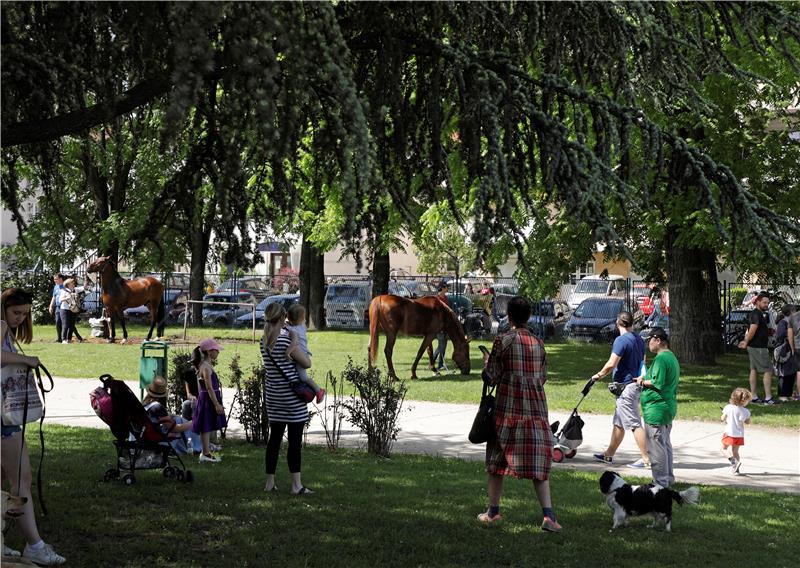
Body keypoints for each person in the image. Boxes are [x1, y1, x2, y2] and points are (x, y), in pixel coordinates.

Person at [478, 296, 561, 533]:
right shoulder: (539, 343)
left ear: (509, 316)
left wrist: (487, 364)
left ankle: (493, 512)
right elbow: (542, 378)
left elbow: (491, 377)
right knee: (539, 465)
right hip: (535, 412)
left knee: (495, 462)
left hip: (507, 412)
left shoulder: (502, 341)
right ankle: (549, 516)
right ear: (529, 317)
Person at [0, 288, 66, 565]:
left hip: (4, 415)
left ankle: (1, 545)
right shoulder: (1, 325)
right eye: (16, 312)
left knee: (7, 481)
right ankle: (35, 546)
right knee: (21, 478)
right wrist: (27, 360)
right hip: (4, 419)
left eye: (25, 313)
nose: (19, 318)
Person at [261, 302, 313, 495]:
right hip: (292, 398)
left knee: (273, 440)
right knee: (294, 442)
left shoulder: (264, 341)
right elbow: (306, 363)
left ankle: (269, 483)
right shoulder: (284, 341)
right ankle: (296, 485)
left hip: (274, 396)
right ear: (283, 318)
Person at [591, 311, 650, 469]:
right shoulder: (639, 339)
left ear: (618, 323)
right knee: (619, 423)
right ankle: (608, 455)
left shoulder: (621, 340)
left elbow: (611, 364)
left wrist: (599, 375)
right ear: (631, 323)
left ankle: (646, 459)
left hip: (626, 388)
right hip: (635, 385)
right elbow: (642, 362)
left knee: (634, 423)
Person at [635, 327, 680, 488]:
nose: (649, 343)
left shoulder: (661, 358)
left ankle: (660, 482)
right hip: (666, 407)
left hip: (657, 409)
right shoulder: (670, 356)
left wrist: (640, 382)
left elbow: (658, 383)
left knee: (656, 447)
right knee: (665, 444)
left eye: (650, 340)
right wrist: (644, 377)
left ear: (658, 340)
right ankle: (668, 478)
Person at [191, 338, 227, 463]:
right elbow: (209, 387)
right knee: (205, 426)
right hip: (208, 399)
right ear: (209, 351)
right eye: (216, 350)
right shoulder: (205, 367)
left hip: (208, 398)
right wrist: (216, 404)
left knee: (206, 425)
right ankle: (205, 453)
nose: (218, 352)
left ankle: (206, 452)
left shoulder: (205, 365)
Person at [737, 292, 775, 404]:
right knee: (768, 370)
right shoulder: (756, 314)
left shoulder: (757, 314)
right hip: (758, 347)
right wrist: (746, 341)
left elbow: (748, 330)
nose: (766, 304)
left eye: (767, 303)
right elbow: (752, 329)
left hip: (754, 346)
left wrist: (746, 341)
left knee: (753, 370)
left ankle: (753, 396)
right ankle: (768, 398)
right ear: (757, 302)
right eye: (764, 302)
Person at [142, 376, 194, 455]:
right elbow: (175, 429)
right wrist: (193, 422)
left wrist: (171, 416)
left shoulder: (145, 404)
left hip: (145, 437)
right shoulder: (157, 407)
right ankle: (197, 447)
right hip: (155, 439)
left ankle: (198, 445)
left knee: (177, 419)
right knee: (180, 422)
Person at [285, 304, 325, 404]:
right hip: (305, 353)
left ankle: (318, 390)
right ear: (302, 318)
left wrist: (287, 353)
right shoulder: (302, 327)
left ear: (288, 317)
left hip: (301, 356)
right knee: (301, 376)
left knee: (303, 377)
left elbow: (294, 343)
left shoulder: (291, 330)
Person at [720, 387, 752, 475]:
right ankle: (736, 469)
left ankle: (733, 461)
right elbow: (748, 422)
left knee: (723, 448)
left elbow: (722, 419)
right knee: (735, 451)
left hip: (729, 433)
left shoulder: (728, 407)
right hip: (739, 435)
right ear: (744, 401)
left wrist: (724, 416)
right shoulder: (746, 411)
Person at [774, 305, 798, 402]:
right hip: (784, 351)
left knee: (791, 372)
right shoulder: (783, 322)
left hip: (792, 349)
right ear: (791, 312)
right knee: (783, 373)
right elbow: (781, 336)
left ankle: (789, 393)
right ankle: (782, 394)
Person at [58, 278, 85, 344]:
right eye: (72, 283)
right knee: (65, 325)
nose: (73, 284)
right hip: (64, 310)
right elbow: (60, 300)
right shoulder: (63, 291)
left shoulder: (75, 290)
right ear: (68, 284)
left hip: (73, 309)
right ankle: (64, 339)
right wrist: (67, 298)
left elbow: (84, 287)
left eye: (73, 283)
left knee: (72, 325)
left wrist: (86, 280)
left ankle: (69, 339)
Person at [432, 283, 450, 371]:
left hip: (446, 325)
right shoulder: (437, 298)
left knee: (444, 345)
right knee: (441, 345)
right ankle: (432, 362)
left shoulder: (445, 298)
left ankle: (440, 364)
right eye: (446, 287)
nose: (447, 289)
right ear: (442, 288)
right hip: (439, 325)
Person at [48, 273, 65, 343]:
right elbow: (54, 297)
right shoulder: (56, 287)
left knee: (65, 323)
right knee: (58, 322)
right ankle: (59, 338)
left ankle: (65, 338)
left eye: (56, 279)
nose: (54, 281)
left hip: (64, 307)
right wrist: (51, 306)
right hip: (58, 307)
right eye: (54, 279)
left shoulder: (65, 286)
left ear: (60, 279)